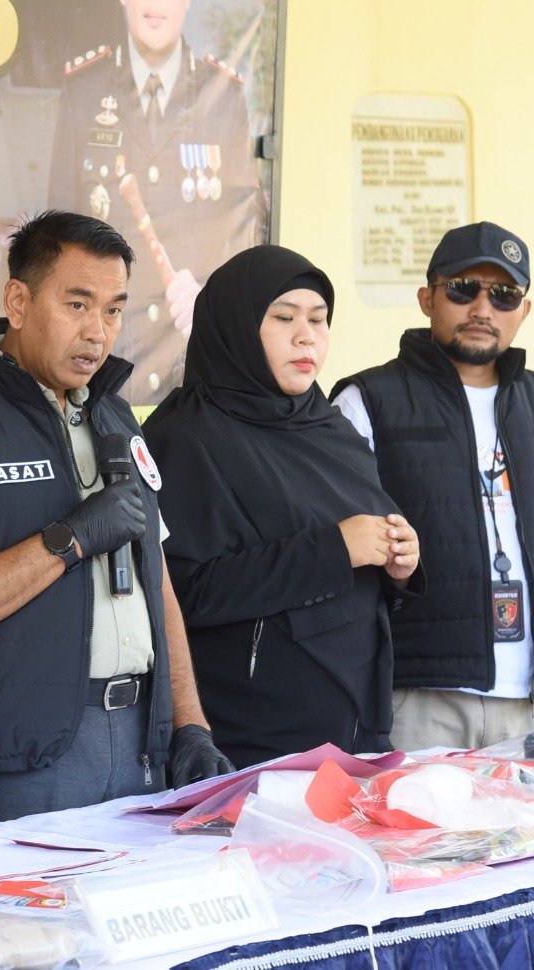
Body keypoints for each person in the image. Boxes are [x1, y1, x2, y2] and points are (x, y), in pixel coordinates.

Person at [0, 210, 233, 831]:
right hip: (19, 759)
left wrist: (190, 724)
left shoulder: (116, 418)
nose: (98, 332)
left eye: (114, 310)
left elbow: (158, 585)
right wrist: (69, 540)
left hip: (140, 745)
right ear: (18, 302)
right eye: (77, 304)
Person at [141, 245, 422, 769]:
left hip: (356, 727)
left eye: (318, 319)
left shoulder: (329, 426)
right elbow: (181, 594)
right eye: (284, 317)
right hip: (251, 740)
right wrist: (334, 550)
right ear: (236, 326)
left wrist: (399, 562)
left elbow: (363, 558)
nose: (306, 336)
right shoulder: (185, 438)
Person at [331, 222, 534, 751]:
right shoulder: (367, 401)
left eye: (503, 294)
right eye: (463, 289)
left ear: (524, 310)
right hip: (420, 695)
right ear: (427, 298)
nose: (482, 308)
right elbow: (340, 554)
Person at [49, 0, 265, 400]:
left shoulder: (224, 97)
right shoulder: (83, 90)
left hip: (191, 369)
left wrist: (211, 304)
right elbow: (55, 242)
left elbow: (242, 241)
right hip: (99, 368)